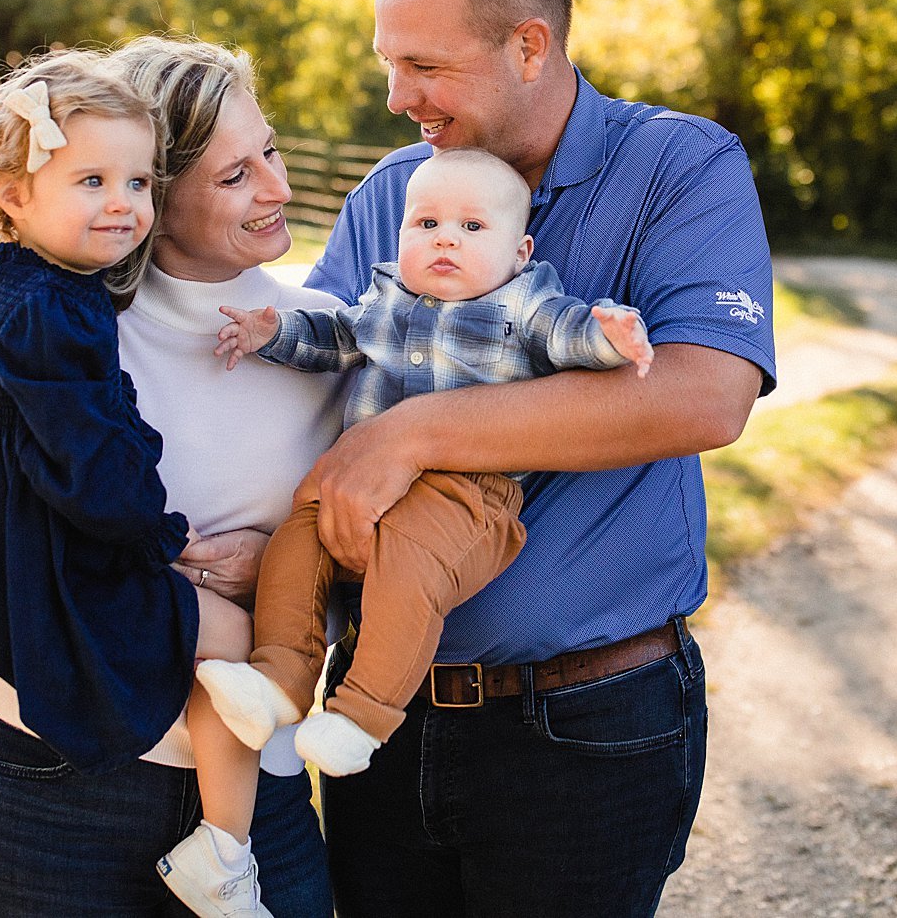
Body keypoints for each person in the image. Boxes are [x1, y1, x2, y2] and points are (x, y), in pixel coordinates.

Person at [301, 0, 778, 917]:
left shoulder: (680, 167)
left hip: (587, 726)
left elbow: (705, 392)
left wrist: (414, 432)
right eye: (390, 64)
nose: (397, 97)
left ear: (530, 45)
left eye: (425, 67)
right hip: (376, 722)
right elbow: (305, 384)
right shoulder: (388, 194)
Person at [0, 39, 345, 918]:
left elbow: (376, 579)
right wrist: (76, 678)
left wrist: (276, 577)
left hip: (254, 807)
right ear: (159, 184)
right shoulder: (53, 325)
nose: (276, 187)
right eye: (235, 174)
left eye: (268, 150)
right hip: (46, 795)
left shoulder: (327, 339)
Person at [196, 147, 654, 777]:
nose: (446, 241)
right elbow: (337, 339)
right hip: (360, 480)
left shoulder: (522, 303)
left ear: (519, 253)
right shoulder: (387, 297)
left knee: (408, 568)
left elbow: (566, 334)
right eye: (426, 224)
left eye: (472, 228)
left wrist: (610, 337)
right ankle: (279, 677)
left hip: (463, 493)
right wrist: (271, 334)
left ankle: (362, 715)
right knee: (296, 543)